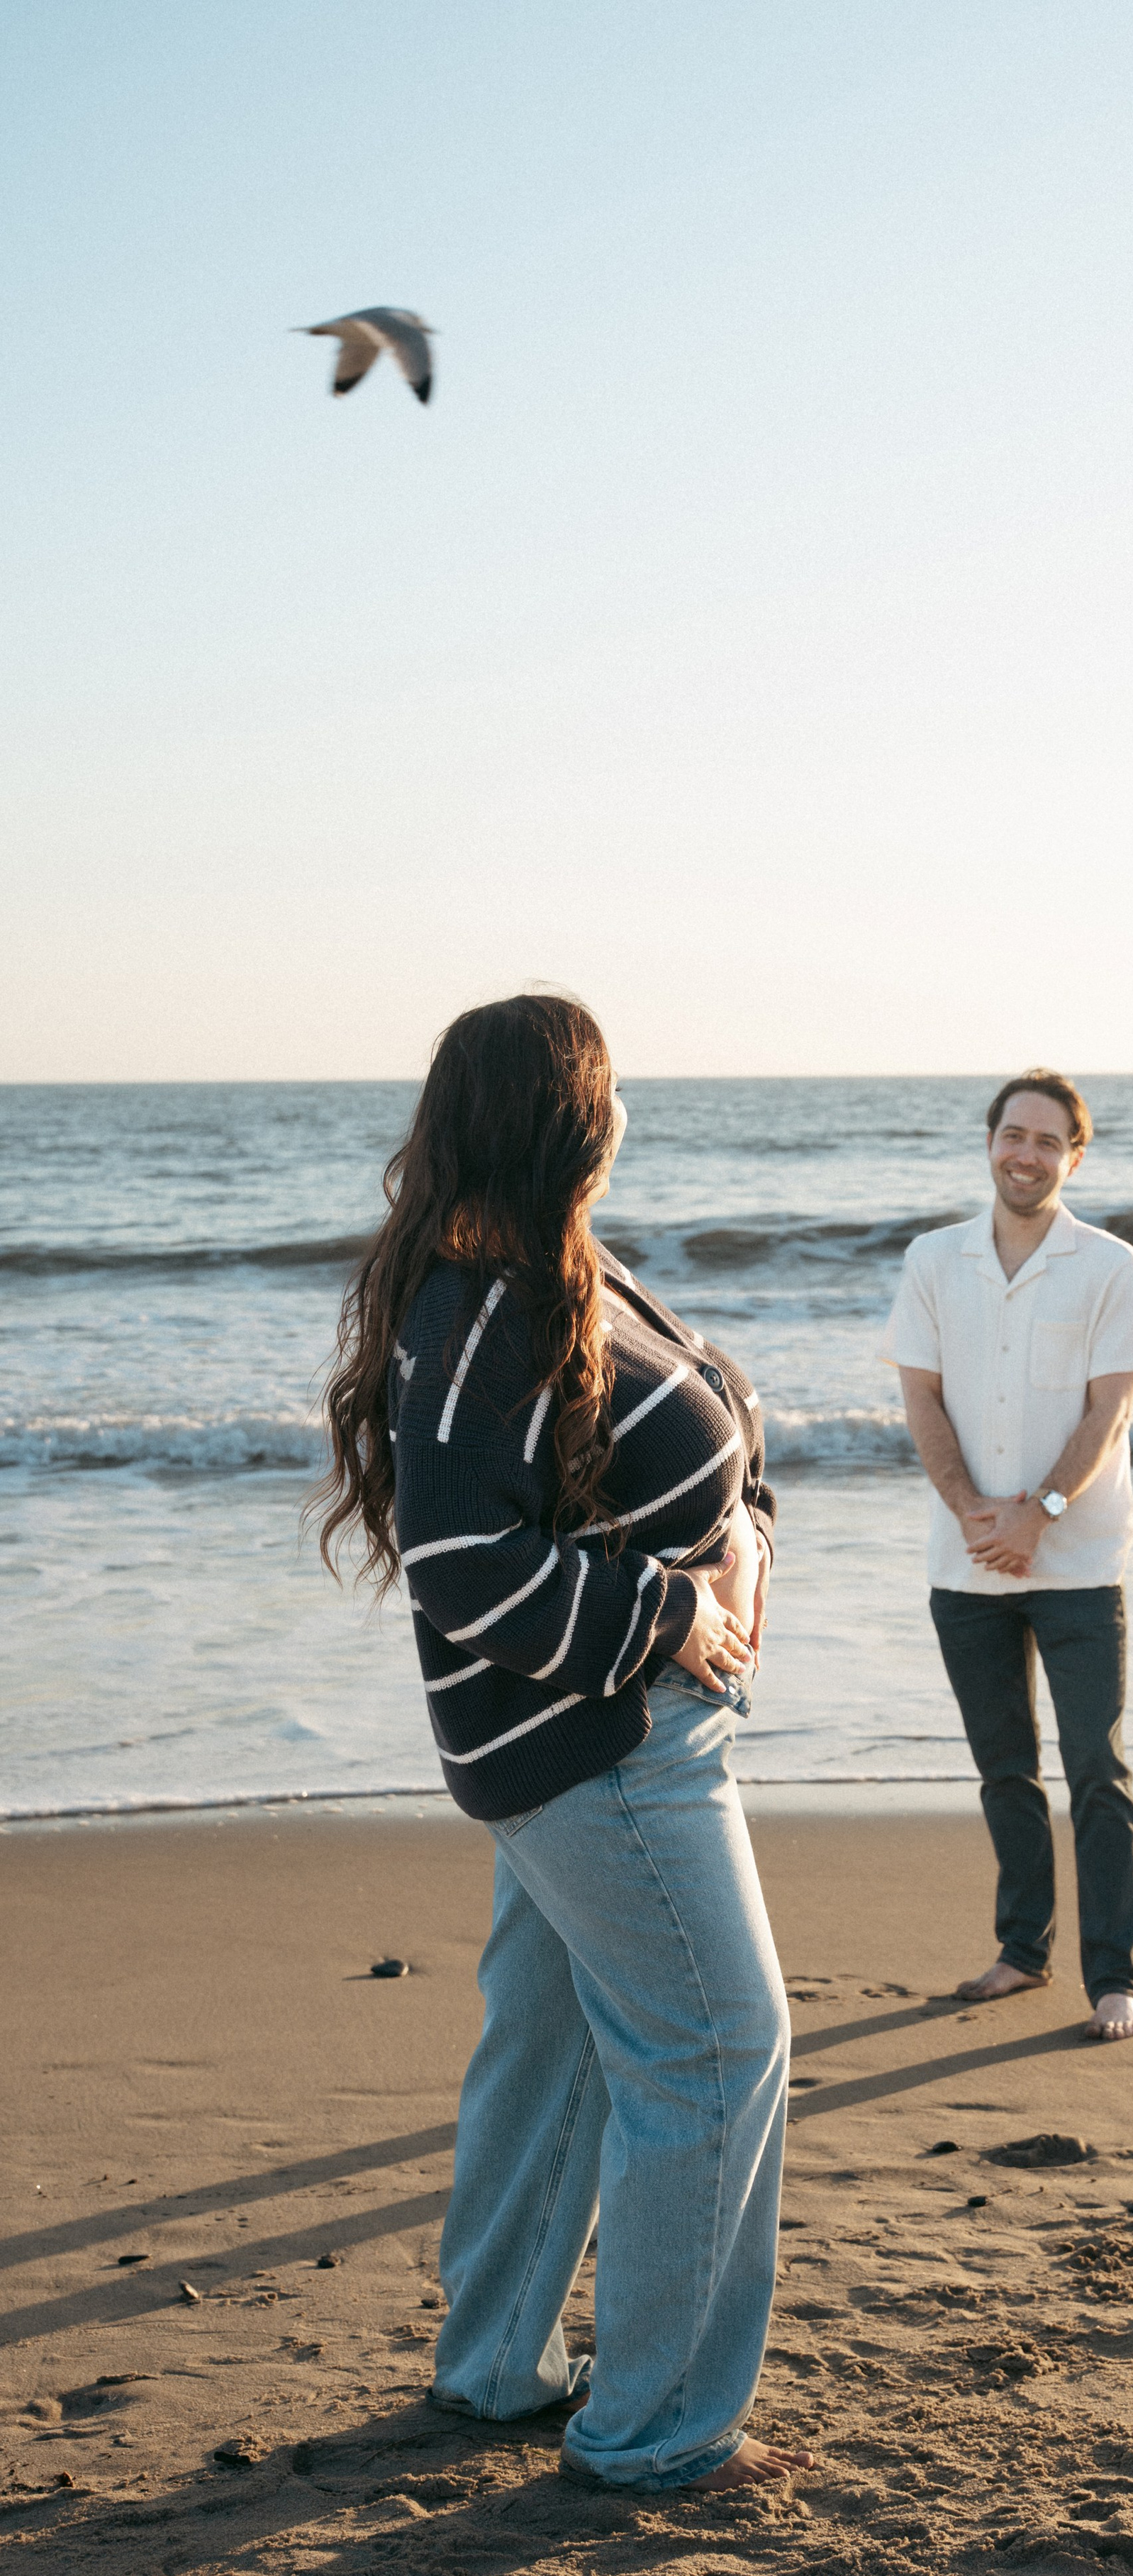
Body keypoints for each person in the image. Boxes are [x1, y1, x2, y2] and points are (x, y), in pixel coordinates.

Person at [311, 993, 813, 2497]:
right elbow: (468, 1568)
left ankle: (493, 2367)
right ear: (564, 1122)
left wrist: (745, 1552)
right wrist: (667, 1615)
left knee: (561, 2053)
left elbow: (721, 1426)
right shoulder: (479, 1315)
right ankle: (658, 2432)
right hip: (600, 1750)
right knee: (718, 2053)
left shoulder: (550, 1267)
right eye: (605, 1090)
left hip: (600, 1740)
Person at [881, 1070, 1133, 2042]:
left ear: (1075, 1157)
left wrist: (1039, 1514)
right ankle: (1021, 1952)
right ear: (990, 1142)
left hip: (1080, 1561)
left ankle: (1114, 1978)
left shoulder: (1111, 1268)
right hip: (965, 1564)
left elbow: (1111, 1407)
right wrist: (973, 1511)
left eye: (1049, 1142)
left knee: (1097, 1768)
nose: (1027, 1154)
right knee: (1005, 1770)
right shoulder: (933, 1260)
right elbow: (921, 1397)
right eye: (1014, 1135)